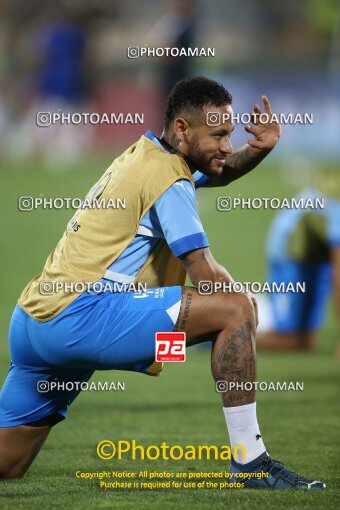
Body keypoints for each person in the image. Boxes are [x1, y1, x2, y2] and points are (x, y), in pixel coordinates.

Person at [0, 77, 325, 489]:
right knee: (236, 309)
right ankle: (251, 461)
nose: (227, 146)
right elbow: (205, 275)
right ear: (183, 129)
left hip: (33, 322)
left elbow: (215, 173)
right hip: (81, 320)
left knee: (7, 464)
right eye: (219, 135)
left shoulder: (144, 156)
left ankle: (172, 352)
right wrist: (243, 315)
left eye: (230, 135)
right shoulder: (167, 178)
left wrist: (256, 150)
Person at [256, 181, 340, 352]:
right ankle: (216, 332)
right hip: (290, 250)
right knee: (289, 339)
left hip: (319, 252)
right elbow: (338, 275)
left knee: (305, 342)